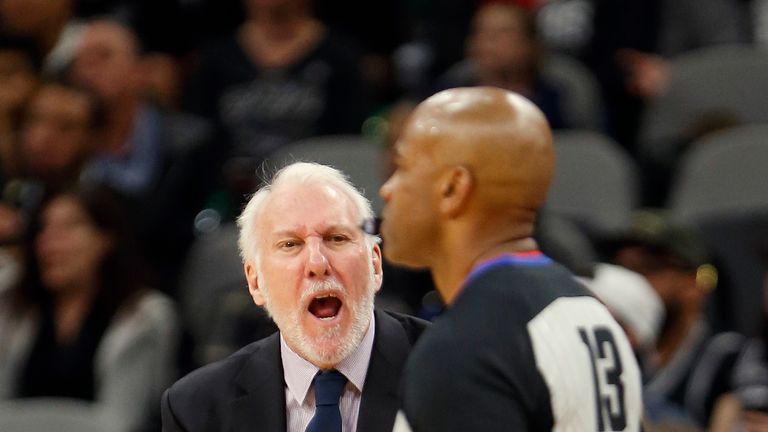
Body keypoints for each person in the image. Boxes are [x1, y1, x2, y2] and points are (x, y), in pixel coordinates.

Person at [378, 86, 642, 431]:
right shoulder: (591, 310)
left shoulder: (466, 349)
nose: (387, 189)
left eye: (402, 167)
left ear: (453, 189)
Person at [161, 162, 429, 432]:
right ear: (256, 282)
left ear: (374, 265)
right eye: (290, 244)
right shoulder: (196, 409)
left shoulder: (451, 369)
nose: (317, 262)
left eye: (336, 238)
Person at [0, 184, 179, 431]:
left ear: (105, 239)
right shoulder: (12, 306)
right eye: (44, 229)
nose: (49, 243)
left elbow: (123, 422)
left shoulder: (143, 318)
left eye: (68, 227)